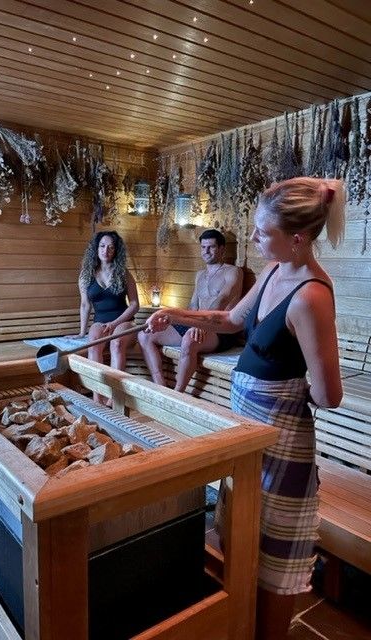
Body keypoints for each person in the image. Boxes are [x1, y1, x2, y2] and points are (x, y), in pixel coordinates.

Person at [145, 177, 344, 640]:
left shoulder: (312, 295)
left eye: (262, 232)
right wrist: (174, 314)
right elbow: (230, 319)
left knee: (275, 555)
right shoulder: (274, 270)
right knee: (240, 532)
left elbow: (328, 395)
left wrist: (284, 391)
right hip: (246, 431)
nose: (252, 238)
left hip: (281, 439)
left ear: (298, 238)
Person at [138, 229, 243, 392]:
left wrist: (201, 324)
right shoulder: (200, 275)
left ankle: (177, 394)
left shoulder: (232, 272)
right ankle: (161, 388)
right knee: (144, 335)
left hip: (221, 329)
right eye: (203, 247)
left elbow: (222, 300)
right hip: (197, 325)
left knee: (189, 339)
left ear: (222, 249)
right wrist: (178, 320)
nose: (206, 251)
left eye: (211, 247)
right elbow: (193, 305)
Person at [73, 230, 139, 404]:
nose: (106, 250)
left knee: (116, 344)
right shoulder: (86, 275)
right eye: (102, 246)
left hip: (124, 321)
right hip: (100, 321)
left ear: (116, 250)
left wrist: (115, 323)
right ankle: (97, 397)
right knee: (93, 344)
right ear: (96, 249)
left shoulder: (123, 273)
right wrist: (82, 332)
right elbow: (85, 305)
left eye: (111, 247)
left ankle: (113, 397)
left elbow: (134, 305)